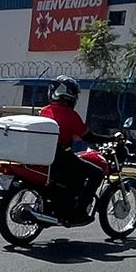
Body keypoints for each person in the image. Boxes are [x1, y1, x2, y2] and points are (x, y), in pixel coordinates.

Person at [37, 76, 96, 217]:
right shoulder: (71, 115)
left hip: (43, 155)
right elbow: (89, 137)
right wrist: (112, 138)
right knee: (96, 173)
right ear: (72, 95)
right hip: (60, 156)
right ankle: (80, 211)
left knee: (77, 170)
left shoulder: (44, 111)